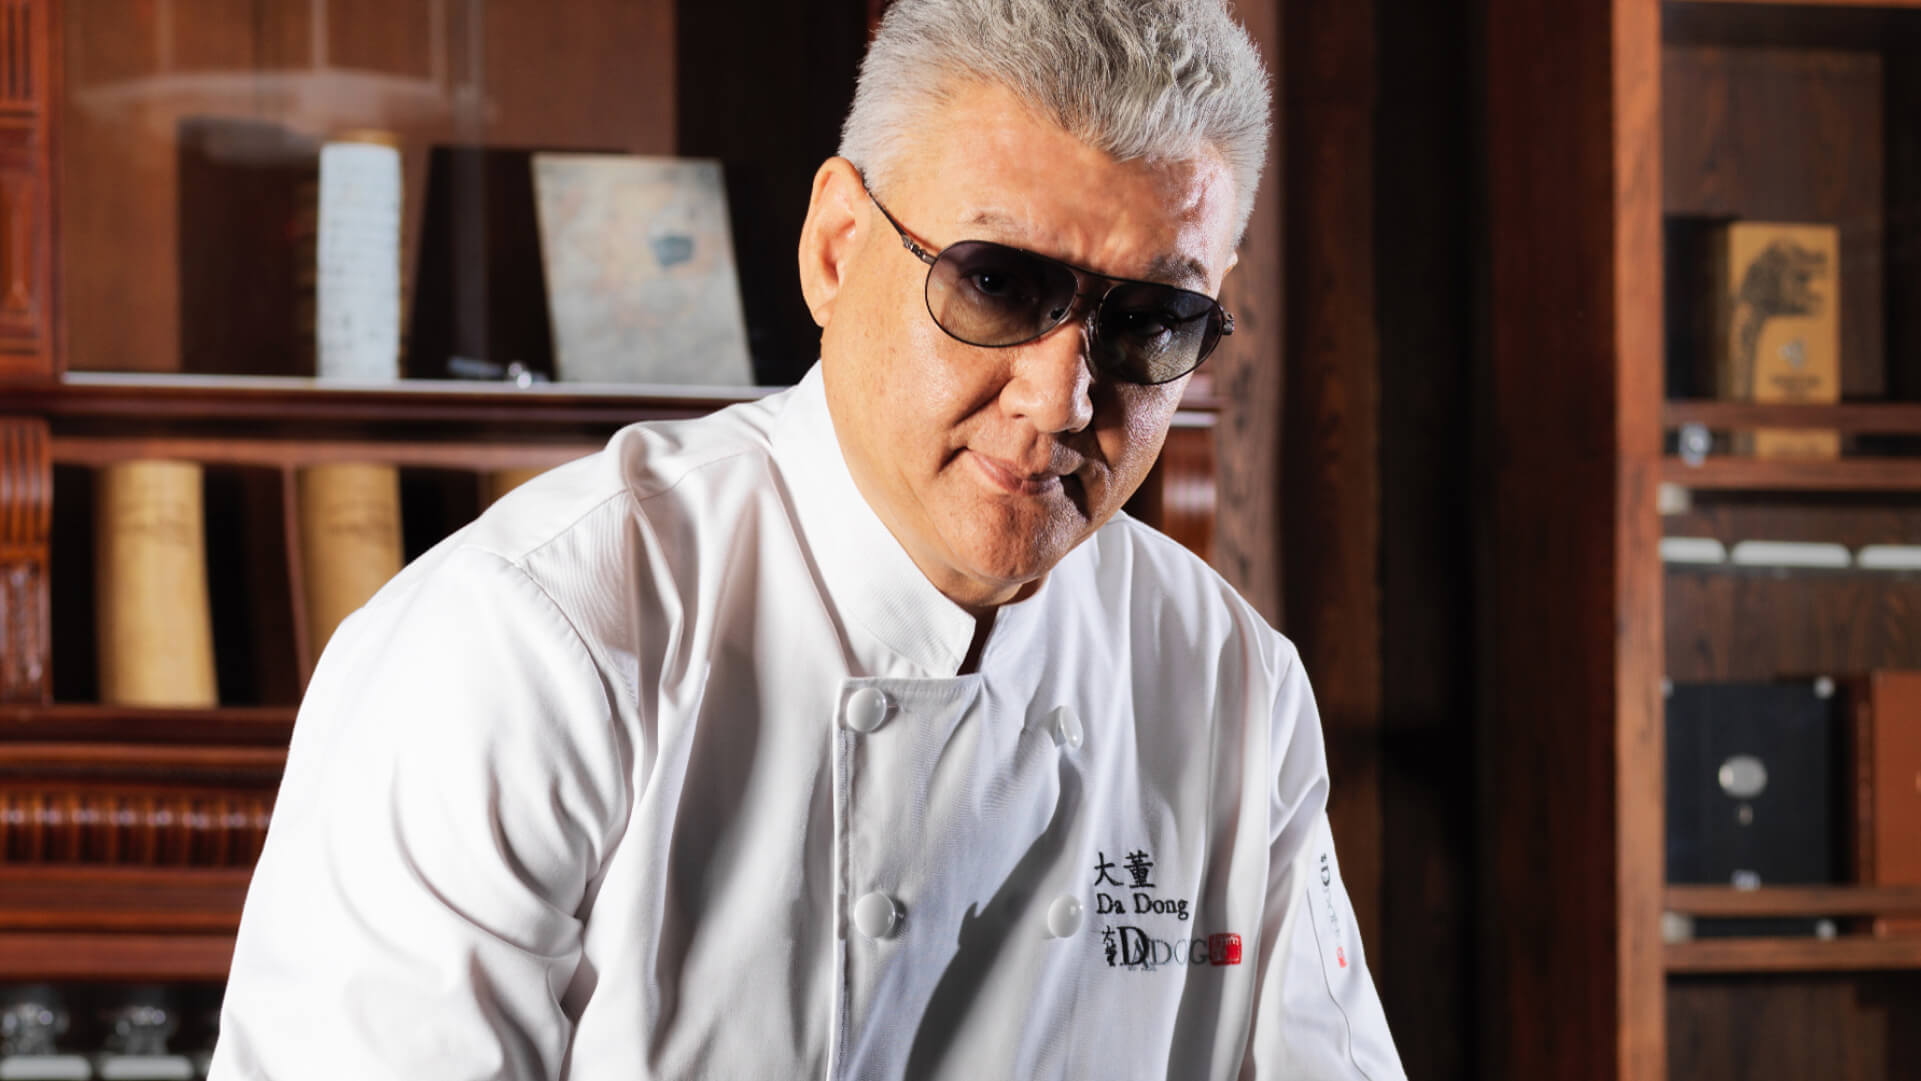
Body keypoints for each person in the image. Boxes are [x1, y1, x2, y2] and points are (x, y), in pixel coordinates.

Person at [211, 1, 1406, 1077]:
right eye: (996, 285)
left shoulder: (1228, 682)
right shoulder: (530, 640)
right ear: (836, 248)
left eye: (1150, 320)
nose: (1060, 399)